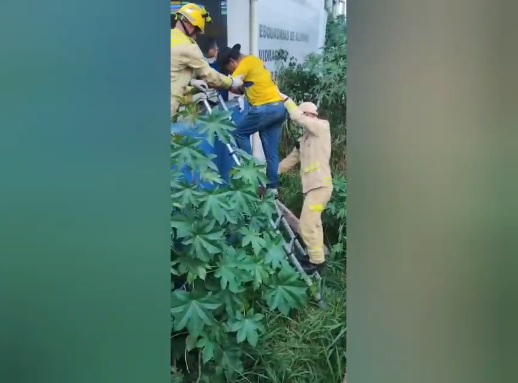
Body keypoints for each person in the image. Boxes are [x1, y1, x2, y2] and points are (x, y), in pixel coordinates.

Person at [217, 44, 287, 195]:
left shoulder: (246, 62)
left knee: (239, 133)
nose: (231, 72)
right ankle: (273, 189)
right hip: (279, 108)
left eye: (229, 70)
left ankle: (250, 169)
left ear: (232, 62)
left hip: (265, 109)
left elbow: (234, 82)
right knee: (271, 153)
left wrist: (214, 79)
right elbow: (239, 89)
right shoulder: (255, 64)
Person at [277, 93, 333, 274]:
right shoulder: (304, 140)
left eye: (303, 116)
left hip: (320, 186)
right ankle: (317, 255)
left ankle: (317, 261)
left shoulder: (321, 127)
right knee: (313, 224)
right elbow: (288, 162)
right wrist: (268, 172)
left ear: (310, 115)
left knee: (306, 225)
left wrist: (286, 101)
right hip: (311, 188)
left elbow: (299, 118)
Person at [170, 3, 243, 115]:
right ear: (190, 26)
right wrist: (232, 82)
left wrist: (191, 83)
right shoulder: (188, 47)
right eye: (197, 31)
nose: (195, 36)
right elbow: (209, 75)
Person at [199, 37, 229, 102]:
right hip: (207, 100)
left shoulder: (224, 61)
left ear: (217, 50)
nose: (210, 59)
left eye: (212, 56)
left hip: (223, 99)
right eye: (208, 57)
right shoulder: (201, 64)